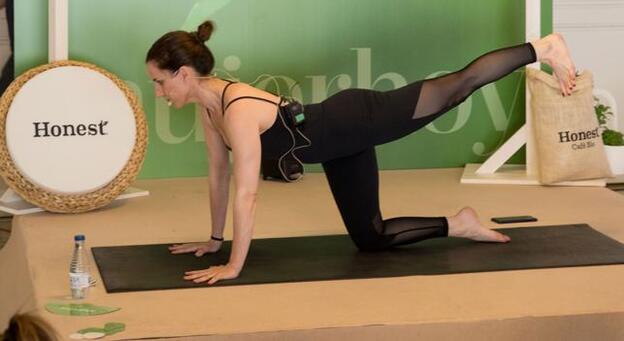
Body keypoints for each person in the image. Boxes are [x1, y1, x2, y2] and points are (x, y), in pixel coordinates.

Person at [145, 21, 577, 285]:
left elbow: (247, 193)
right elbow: (218, 175)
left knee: (457, 87)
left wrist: (235, 265)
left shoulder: (236, 107)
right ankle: (458, 224)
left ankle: (543, 48)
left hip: (356, 118)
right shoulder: (210, 107)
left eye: (161, 82)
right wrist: (214, 240)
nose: (159, 91)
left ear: (184, 73)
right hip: (339, 149)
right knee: (370, 240)